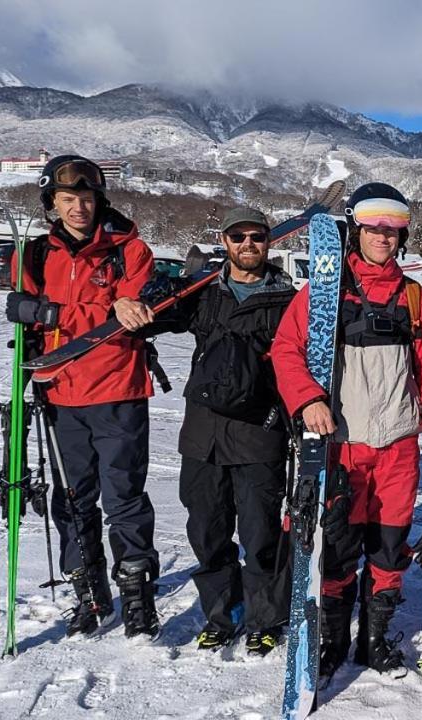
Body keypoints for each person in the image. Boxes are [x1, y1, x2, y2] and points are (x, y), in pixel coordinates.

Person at [271, 182, 422, 678]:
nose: (383, 236)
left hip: (397, 444)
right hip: (341, 444)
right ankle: (331, 637)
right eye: (373, 226)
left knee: (390, 546)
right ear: (355, 229)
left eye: (393, 229)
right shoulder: (325, 292)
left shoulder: (415, 298)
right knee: (338, 544)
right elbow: (286, 350)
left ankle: (374, 638)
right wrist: (307, 399)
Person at [6, 155, 161, 638]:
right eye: (68, 199)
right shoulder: (32, 256)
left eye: (87, 198)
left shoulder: (129, 251)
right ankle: (90, 593)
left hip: (117, 391)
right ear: (51, 202)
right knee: (72, 500)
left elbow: (135, 310)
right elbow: (27, 317)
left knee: (124, 498)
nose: (79, 208)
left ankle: (137, 596)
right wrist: (31, 313)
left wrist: (65, 312)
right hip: (59, 395)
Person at [146, 207, 294, 655]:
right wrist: (154, 291)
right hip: (202, 437)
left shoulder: (288, 301)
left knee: (260, 537)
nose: (247, 244)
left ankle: (266, 618)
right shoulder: (204, 293)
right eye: (238, 237)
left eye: (256, 237)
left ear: (269, 242)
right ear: (224, 242)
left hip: (258, 436)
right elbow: (154, 318)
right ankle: (221, 615)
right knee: (207, 535)